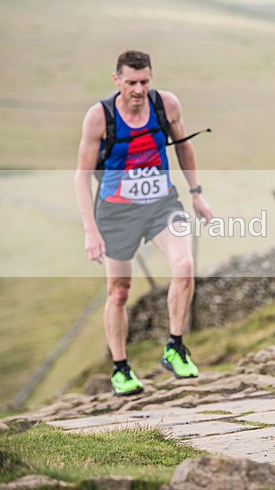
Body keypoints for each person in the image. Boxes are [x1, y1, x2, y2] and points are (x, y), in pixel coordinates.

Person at [75, 50, 213, 396]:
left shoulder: (165, 105)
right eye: (131, 82)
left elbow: (183, 148)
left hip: (160, 203)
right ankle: (121, 369)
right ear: (117, 80)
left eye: (144, 82)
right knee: (119, 291)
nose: (138, 89)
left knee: (184, 265)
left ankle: (175, 347)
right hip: (116, 211)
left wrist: (196, 193)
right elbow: (81, 176)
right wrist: (91, 230)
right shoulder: (99, 117)